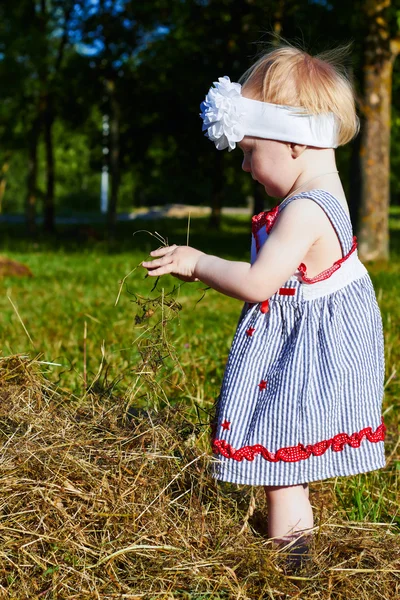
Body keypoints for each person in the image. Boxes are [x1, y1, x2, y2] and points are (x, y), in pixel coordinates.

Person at [142, 44, 386, 566]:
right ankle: (294, 559)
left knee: (281, 473)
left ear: (295, 142)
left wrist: (196, 262)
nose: (248, 167)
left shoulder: (305, 210)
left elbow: (258, 283)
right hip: (308, 348)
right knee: (285, 471)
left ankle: (291, 566)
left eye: (251, 151)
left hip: (305, 363)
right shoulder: (324, 195)